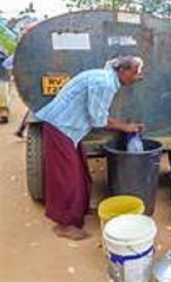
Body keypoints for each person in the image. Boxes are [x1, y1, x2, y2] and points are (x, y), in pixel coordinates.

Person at [35, 56, 144, 241]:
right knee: (66, 177)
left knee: (80, 172)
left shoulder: (105, 77)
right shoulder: (104, 84)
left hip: (70, 129)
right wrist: (126, 127)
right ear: (123, 71)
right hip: (61, 127)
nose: (137, 78)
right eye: (135, 73)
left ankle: (78, 211)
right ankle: (64, 224)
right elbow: (98, 119)